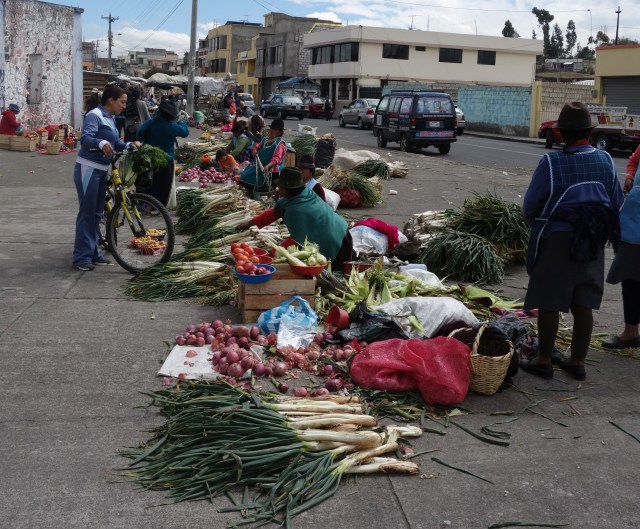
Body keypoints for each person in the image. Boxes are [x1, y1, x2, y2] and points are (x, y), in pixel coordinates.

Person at [520, 102, 623, 381]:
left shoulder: (552, 163)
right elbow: (616, 202)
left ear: (562, 134)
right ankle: (577, 362)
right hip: (593, 238)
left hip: (559, 238)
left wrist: (539, 226)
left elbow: (530, 206)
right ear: (588, 133)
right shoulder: (605, 160)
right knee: (583, 301)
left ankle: (544, 360)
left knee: (550, 299)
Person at [72, 85, 140, 271]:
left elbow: (115, 143)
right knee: (87, 214)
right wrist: (100, 143)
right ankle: (80, 258)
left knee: (97, 214)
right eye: (122, 101)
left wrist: (128, 145)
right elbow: (86, 139)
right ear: (111, 100)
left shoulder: (109, 118)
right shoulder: (95, 115)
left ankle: (92, 253)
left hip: (102, 170)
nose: (124, 105)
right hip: (88, 169)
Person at [238, 168, 353, 267]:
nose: (277, 188)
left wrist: (273, 253)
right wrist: (250, 223)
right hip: (340, 231)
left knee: (332, 272)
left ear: (288, 189)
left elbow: (297, 239)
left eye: (280, 186)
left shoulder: (296, 210)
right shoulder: (303, 194)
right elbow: (274, 213)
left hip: (336, 242)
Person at [602, 144, 640, 349]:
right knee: (631, 279)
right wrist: (629, 178)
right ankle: (631, 331)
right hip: (635, 223)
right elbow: (634, 161)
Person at [136, 99, 189, 207]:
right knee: (163, 186)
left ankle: (146, 205)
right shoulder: (172, 126)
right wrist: (182, 122)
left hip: (148, 159)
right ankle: (159, 207)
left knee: (149, 183)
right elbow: (185, 132)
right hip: (166, 161)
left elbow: (139, 134)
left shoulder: (150, 123)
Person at [238, 118, 286, 191]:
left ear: (279, 132)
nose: (271, 130)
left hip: (269, 170)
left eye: (274, 129)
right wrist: (254, 150)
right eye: (271, 128)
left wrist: (268, 166)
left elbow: (276, 159)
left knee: (252, 180)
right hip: (258, 166)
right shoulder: (265, 139)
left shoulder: (279, 144)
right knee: (244, 176)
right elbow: (257, 147)